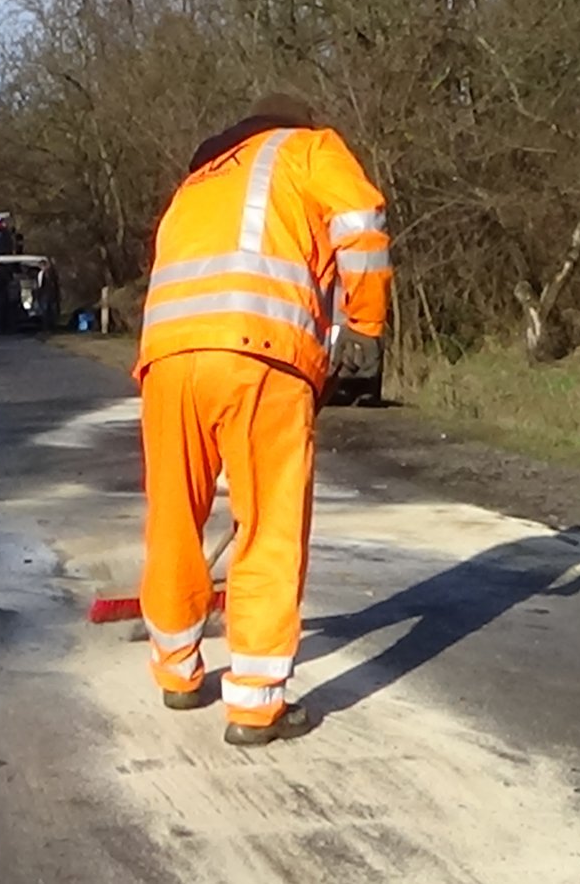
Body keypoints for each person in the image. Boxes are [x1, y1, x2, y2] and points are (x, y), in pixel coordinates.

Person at [131, 92, 390, 746]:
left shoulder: (197, 182)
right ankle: (254, 705)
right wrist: (364, 323)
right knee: (270, 524)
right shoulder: (308, 148)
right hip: (260, 355)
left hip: (166, 360)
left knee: (173, 516)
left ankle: (178, 670)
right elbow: (361, 216)